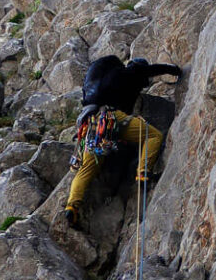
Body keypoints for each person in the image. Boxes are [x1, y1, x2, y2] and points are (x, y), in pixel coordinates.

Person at [64, 54, 182, 228]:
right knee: (153, 136)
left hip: (91, 124)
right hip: (111, 118)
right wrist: (175, 70)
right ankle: (143, 173)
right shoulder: (131, 73)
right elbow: (152, 70)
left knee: (88, 167)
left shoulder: (105, 82)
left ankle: (72, 206)